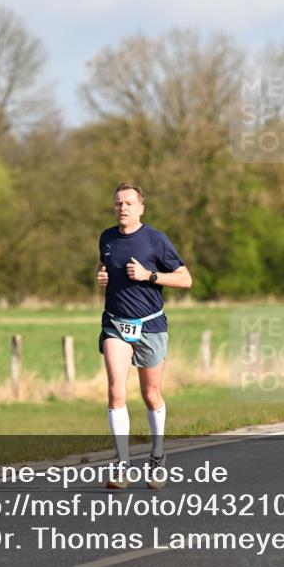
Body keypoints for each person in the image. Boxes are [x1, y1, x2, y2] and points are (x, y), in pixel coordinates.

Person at [96, 183, 192, 488]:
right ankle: (122, 465)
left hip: (150, 325)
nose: (122, 208)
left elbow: (185, 279)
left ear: (140, 208)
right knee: (115, 392)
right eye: (117, 203)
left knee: (150, 395)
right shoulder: (107, 238)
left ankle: (158, 456)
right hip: (115, 324)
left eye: (128, 203)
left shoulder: (156, 240)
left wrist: (150, 276)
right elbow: (103, 264)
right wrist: (100, 275)